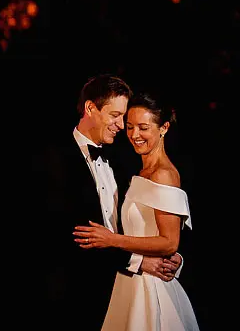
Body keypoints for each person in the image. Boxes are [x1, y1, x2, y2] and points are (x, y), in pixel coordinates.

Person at [33, 75, 183, 330]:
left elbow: (150, 218)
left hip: (125, 292)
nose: (122, 126)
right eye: (115, 115)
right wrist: (138, 262)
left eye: (124, 118)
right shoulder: (52, 159)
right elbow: (69, 236)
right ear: (91, 108)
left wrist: (171, 257)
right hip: (73, 293)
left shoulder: (126, 156)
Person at [74, 92, 199, 331]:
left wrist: (112, 240)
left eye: (143, 127)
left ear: (163, 128)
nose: (134, 135)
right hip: (126, 283)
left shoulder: (164, 174)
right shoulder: (134, 170)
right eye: (130, 126)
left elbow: (170, 242)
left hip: (150, 288)